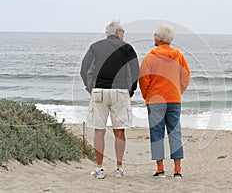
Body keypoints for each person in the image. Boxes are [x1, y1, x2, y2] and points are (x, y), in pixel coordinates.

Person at [80, 20, 139, 179]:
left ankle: (99, 169)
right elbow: (135, 71)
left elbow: (84, 69)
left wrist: (90, 88)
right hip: (120, 92)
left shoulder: (96, 46)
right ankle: (119, 168)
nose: (123, 35)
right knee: (119, 131)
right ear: (118, 32)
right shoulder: (127, 47)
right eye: (123, 32)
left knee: (99, 130)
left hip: (99, 90)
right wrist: (131, 90)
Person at [139, 24, 191, 178]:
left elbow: (143, 79)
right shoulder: (179, 56)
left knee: (157, 134)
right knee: (175, 132)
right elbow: (186, 76)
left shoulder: (150, 57)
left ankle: (160, 169)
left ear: (159, 38)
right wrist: (178, 90)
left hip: (155, 100)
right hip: (174, 99)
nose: (154, 36)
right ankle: (177, 170)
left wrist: (146, 95)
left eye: (155, 34)